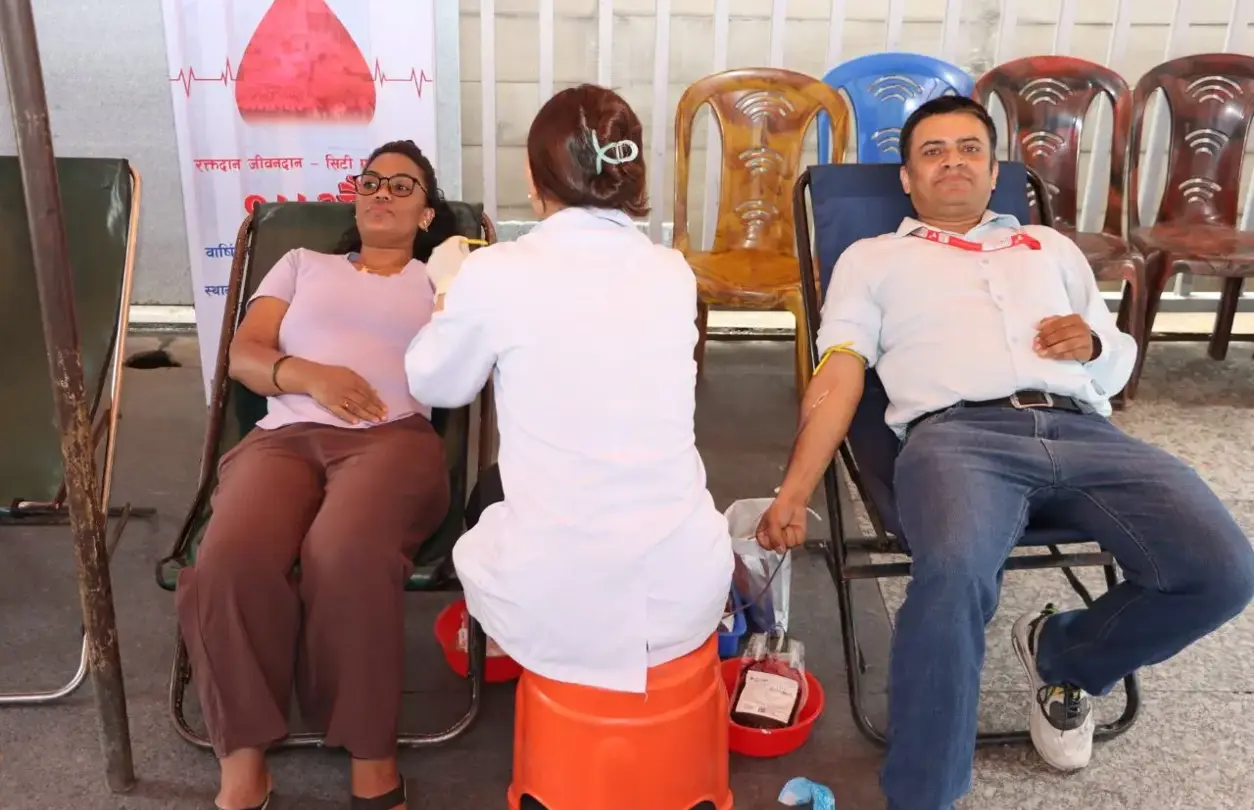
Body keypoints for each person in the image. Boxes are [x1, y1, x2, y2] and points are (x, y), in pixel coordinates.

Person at [755, 96, 1254, 810]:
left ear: (994, 174)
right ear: (907, 178)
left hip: (1083, 431)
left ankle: (1067, 653)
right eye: (932, 151)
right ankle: (923, 796)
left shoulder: (1049, 248)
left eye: (970, 149)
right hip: (957, 440)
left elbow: (1114, 362)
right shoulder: (872, 258)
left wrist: (1094, 344)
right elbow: (839, 372)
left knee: (1224, 570)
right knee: (953, 576)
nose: (953, 161)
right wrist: (795, 489)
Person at [404, 84, 734, 700]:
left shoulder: (496, 271)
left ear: (535, 181)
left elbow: (435, 381)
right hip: (685, 591)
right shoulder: (672, 272)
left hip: (555, 603)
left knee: (487, 514)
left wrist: (447, 286)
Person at [176, 140, 460, 810]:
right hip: (285, 436)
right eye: (371, 182)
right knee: (230, 558)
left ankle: (370, 756)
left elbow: (463, 365)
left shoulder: (441, 281)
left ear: (426, 214)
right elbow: (245, 355)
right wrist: (310, 376)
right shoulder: (302, 264)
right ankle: (243, 762)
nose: (382, 193)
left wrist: (457, 287)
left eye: (403, 185)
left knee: (345, 553)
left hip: (391, 439)